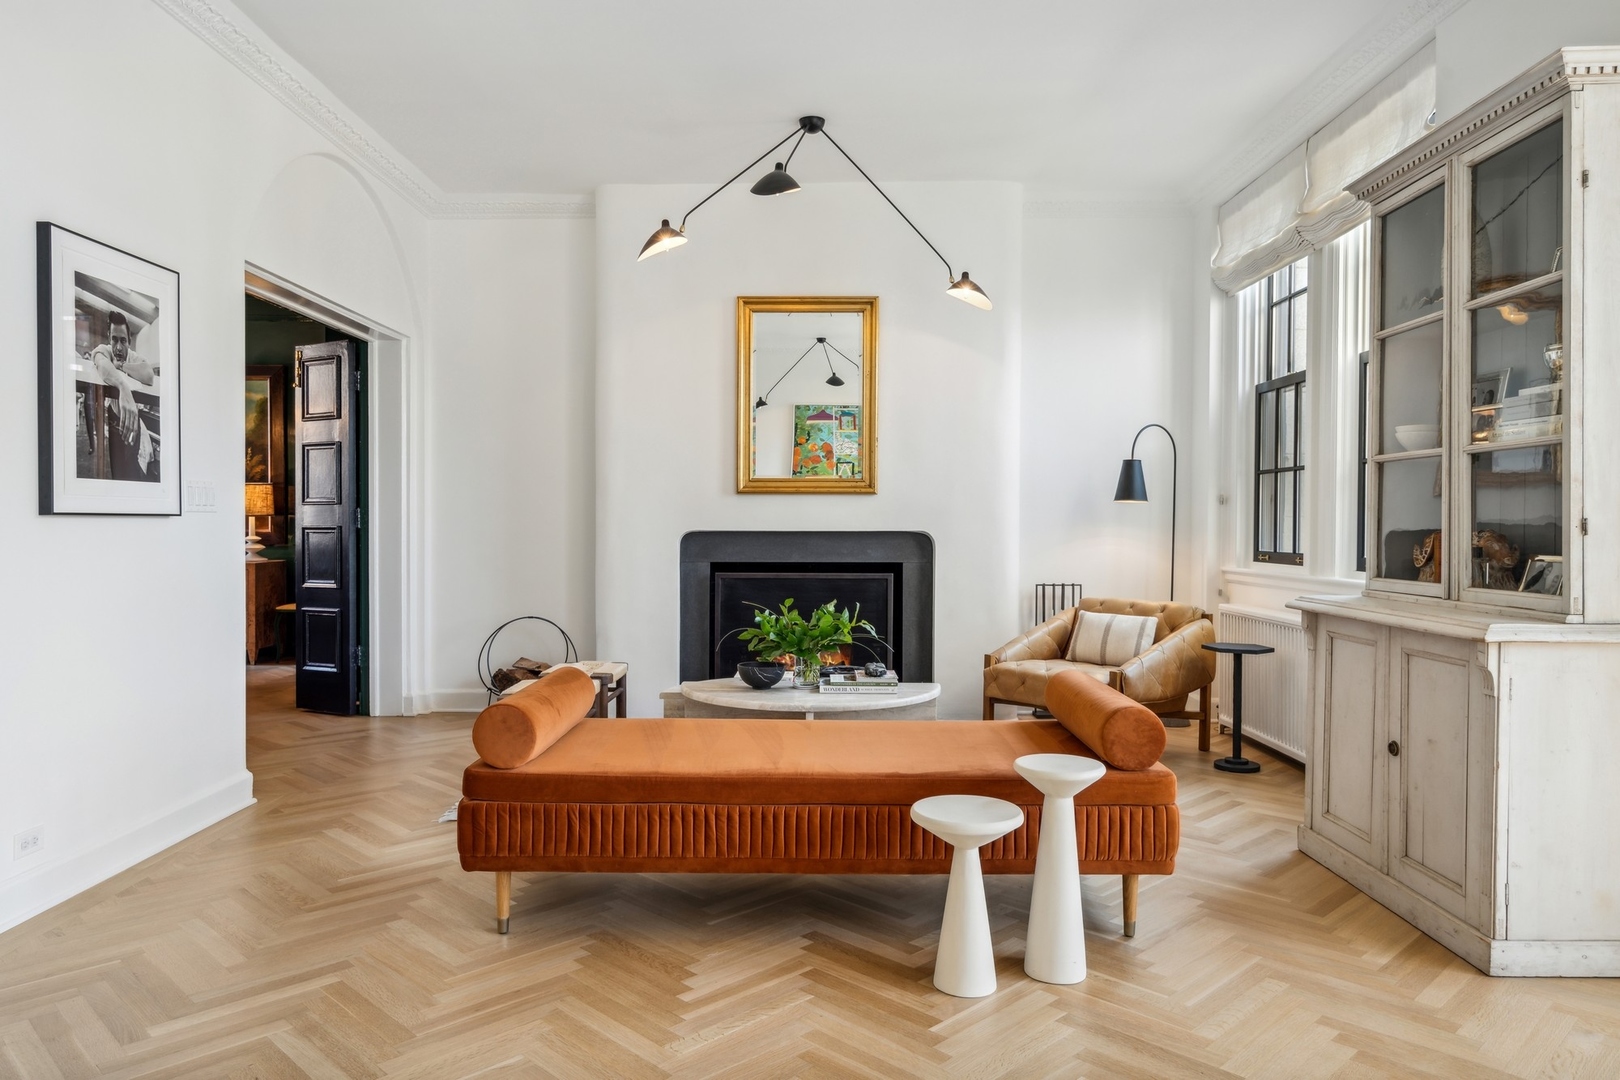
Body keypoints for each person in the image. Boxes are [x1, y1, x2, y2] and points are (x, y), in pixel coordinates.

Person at [88, 310, 159, 480]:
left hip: (132, 418)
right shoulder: (104, 350)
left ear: (129, 341)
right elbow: (101, 362)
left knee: (133, 473)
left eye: (123, 341)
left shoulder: (133, 356)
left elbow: (148, 375)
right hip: (114, 420)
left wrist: (120, 367)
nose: (118, 347)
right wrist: (123, 387)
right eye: (114, 339)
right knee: (117, 471)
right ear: (109, 337)